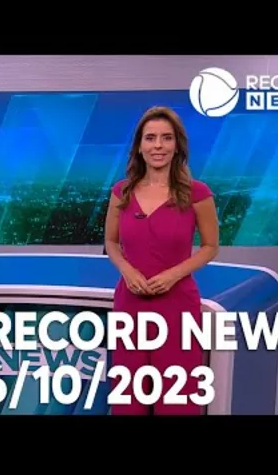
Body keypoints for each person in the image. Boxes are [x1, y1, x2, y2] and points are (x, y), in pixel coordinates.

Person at [104, 106, 219, 415]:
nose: (158, 146)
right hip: (130, 304)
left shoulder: (197, 194)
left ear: (177, 146)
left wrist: (172, 275)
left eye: (167, 138)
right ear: (139, 146)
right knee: (128, 399)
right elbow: (111, 242)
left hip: (177, 307)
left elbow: (210, 247)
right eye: (150, 138)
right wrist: (127, 270)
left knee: (177, 400)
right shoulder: (122, 192)